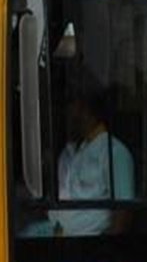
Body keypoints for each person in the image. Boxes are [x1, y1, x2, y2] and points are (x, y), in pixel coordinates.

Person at [47, 84, 135, 236]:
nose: (65, 116)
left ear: (87, 112)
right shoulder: (67, 152)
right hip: (53, 234)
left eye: (70, 109)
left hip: (88, 247)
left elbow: (124, 213)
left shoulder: (114, 152)